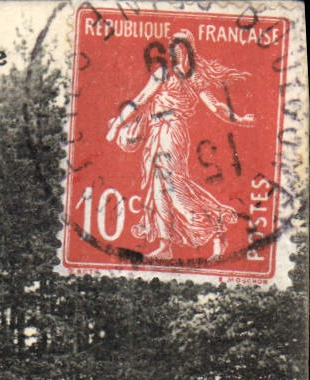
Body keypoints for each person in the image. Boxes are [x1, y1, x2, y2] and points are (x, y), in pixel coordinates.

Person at [105, 30, 255, 260]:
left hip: (172, 131)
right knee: (158, 189)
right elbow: (141, 99)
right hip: (156, 132)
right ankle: (166, 245)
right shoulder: (162, 74)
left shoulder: (195, 78)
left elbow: (215, 107)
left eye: (180, 49)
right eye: (172, 49)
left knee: (175, 189)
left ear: (188, 51)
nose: (175, 53)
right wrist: (117, 124)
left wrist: (238, 119)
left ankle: (216, 233)